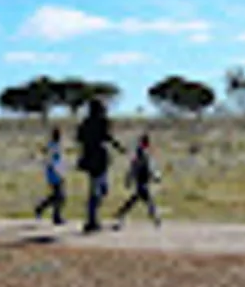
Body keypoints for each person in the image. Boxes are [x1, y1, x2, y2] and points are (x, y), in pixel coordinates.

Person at [76, 98, 124, 233]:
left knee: (94, 188)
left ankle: (92, 219)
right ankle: (92, 220)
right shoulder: (103, 122)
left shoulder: (85, 123)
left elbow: (79, 138)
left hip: (89, 158)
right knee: (100, 189)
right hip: (100, 158)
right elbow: (107, 136)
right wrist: (119, 147)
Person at [114, 133, 161, 228]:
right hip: (142, 180)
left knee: (136, 199)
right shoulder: (144, 154)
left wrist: (129, 178)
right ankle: (155, 217)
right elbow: (146, 167)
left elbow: (134, 167)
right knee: (146, 199)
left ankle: (121, 213)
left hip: (142, 180)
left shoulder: (142, 153)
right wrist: (156, 176)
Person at [33, 126, 65, 225]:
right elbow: (52, 161)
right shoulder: (54, 147)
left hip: (54, 172)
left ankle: (42, 208)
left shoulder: (54, 146)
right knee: (60, 195)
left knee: (57, 195)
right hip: (54, 172)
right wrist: (59, 173)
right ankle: (55, 216)